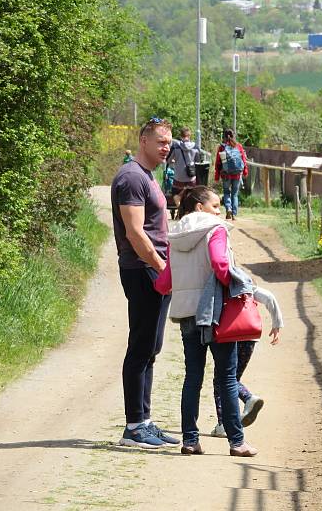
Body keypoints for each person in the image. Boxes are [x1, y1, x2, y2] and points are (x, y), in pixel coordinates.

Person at [153, 185, 260, 457]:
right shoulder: (215, 229)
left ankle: (190, 440)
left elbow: (164, 283)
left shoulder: (175, 236)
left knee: (192, 377)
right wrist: (236, 284)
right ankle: (237, 442)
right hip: (216, 312)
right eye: (215, 205)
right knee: (226, 377)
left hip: (188, 313)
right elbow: (220, 264)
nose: (219, 211)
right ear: (199, 207)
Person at [110, 117, 179, 449]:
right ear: (143, 141)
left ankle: (145, 421)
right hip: (142, 270)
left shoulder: (146, 176)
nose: (166, 147)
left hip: (152, 269)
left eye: (168, 142)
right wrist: (162, 267)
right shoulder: (131, 178)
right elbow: (136, 233)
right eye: (161, 141)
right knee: (140, 346)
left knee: (151, 346)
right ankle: (133, 427)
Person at [210, 285, 282, 437]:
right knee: (232, 378)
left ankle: (225, 421)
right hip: (249, 336)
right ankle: (237, 414)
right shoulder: (248, 285)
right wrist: (276, 325)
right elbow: (269, 297)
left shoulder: (223, 284)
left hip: (230, 334)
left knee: (222, 379)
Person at [214, 129, 248, 220]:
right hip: (237, 174)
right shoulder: (238, 146)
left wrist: (216, 176)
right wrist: (245, 172)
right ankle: (234, 214)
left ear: (224, 136)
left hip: (226, 174)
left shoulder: (222, 147)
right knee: (234, 194)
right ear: (233, 136)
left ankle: (228, 208)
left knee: (226, 192)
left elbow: (218, 163)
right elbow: (244, 161)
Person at [167, 127, 199, 205]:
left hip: (178, 177)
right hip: (191, 177)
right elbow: (198, 162)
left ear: (181, 136)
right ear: (189, 136)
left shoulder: (175, 146)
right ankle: (187, 210)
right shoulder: (195, 147)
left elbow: (168, 160)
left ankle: (179, 206)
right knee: (191, 195)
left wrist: (173, 162)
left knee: (175, 194)